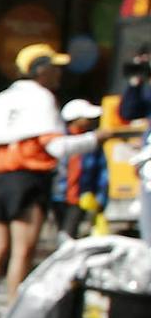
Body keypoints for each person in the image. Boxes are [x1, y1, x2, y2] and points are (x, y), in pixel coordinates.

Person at [0, 45, 103, 318]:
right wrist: (96, 139)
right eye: (54, 67)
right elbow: (56, 146)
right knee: (22, 249)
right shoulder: (42, 99)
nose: (58, 73)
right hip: (28, 178)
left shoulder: (5, 98)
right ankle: (14, 311)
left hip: (2, 177)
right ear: (40, 70)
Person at [50, 99, 106, 240]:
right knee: (61, 232)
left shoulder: (93, 142)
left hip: (81, 196)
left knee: (69, 233)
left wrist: (100, 196)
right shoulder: (58, 139)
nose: (90, 121)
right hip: (59, 195)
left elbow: (101, 170)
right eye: (86, 118)